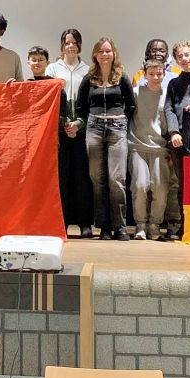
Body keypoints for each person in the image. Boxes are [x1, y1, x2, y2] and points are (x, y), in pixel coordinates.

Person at [75, 38, 135, 241]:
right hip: (94, 128)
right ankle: (104, 228)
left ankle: (120, 227)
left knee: (116, 179)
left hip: (117, 128)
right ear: (95, 55)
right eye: (101, 51)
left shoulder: (122, 77)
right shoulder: (89, 78)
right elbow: (81, 106)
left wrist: (122, 120)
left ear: (114, 53)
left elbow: (131, 105)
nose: (105, 54)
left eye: (108, 51)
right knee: (97, 179)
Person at [49, 28, 93, 238]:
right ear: (62, 45)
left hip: (82, 130)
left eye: (74, 42)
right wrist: (64, 123)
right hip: (60, 132)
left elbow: (90, 103)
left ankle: (85, 223)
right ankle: (62, 223)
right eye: (67, 42)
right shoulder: (52, 69)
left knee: (83, 178)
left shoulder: (89, 70)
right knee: (62, 179)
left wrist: (78, 124)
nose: (71, 46)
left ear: (79, 45)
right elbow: (49, 101)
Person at [163, 40, 190, 238]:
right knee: (182, 184)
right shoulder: (174, 83)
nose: (184, 59)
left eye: (187, 55)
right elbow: (168, 108)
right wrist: (173, 132)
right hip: (179, 139)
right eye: (180, 57)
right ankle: (185, 225)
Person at [129, 60, 170, 241]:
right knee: (139, 186)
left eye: (159, 74)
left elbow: (169, 122)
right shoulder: (136, 93)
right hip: (137, 146)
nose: (155, 77)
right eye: (151, 74)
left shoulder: (167, 94)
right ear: (144, 74)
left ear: (164, 74)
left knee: (160, 189)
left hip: (160, 148)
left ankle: (155, 225)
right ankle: (140, 225)